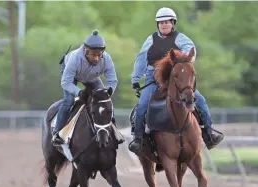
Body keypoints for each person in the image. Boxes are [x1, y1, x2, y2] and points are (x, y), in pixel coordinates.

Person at [129, 7, 224, 153]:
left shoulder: (181, 38)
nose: (164, 25)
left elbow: (190, 49)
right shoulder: (151, 39)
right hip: (153, 78)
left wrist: (182, 62)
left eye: (167, 22)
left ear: (173, 23)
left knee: (200, 100)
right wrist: (136, 78)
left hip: (176, 79)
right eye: (160, 22)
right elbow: (141, 58)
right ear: (157, 25)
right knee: (142, 105)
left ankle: (209, 132)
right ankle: (138, 138)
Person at [52, 29, 124, 145]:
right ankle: (57, 133)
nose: (96, 58)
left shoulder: (107, 59)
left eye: (99, 55)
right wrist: (78, 92)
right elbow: (65, 82)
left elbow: (112, 81)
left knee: (106, 101)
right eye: (93, 55)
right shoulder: (75, 59)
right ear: (86, 51)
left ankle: (114, 131)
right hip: (72, 76)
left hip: (91, 76)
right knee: (68, 101)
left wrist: (109, 92)